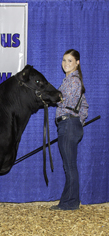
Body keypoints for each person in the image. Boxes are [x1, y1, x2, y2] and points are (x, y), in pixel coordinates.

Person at [50, 49, 89, 211]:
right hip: (69, 125)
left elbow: (67, 102)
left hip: (68, 125)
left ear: (77, 63)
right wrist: (80, 119)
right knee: (69, 165)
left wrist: (51, 97)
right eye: (64, 60)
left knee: (70, 166)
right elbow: (84, 106)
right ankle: (66, 201)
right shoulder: (69, 80)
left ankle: (72, 202)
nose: (66, 64)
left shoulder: (73, 81)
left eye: (70, 61)